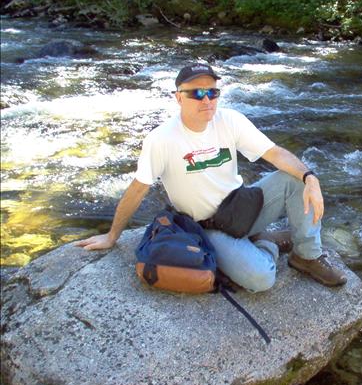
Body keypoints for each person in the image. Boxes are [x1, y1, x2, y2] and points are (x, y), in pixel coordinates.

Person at [75, 63, 346, 291]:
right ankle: (267, 242)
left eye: (212, 92)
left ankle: (306, 256)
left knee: (295, 179)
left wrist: (310, 177)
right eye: (197, 93)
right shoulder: (161, 139)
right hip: (208, 227)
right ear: (178, 97)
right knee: (262, 279)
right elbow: (138, 189)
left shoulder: (230, 120)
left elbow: (274, 153)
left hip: (241, 206)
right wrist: (112, 236)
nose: (206, 100)